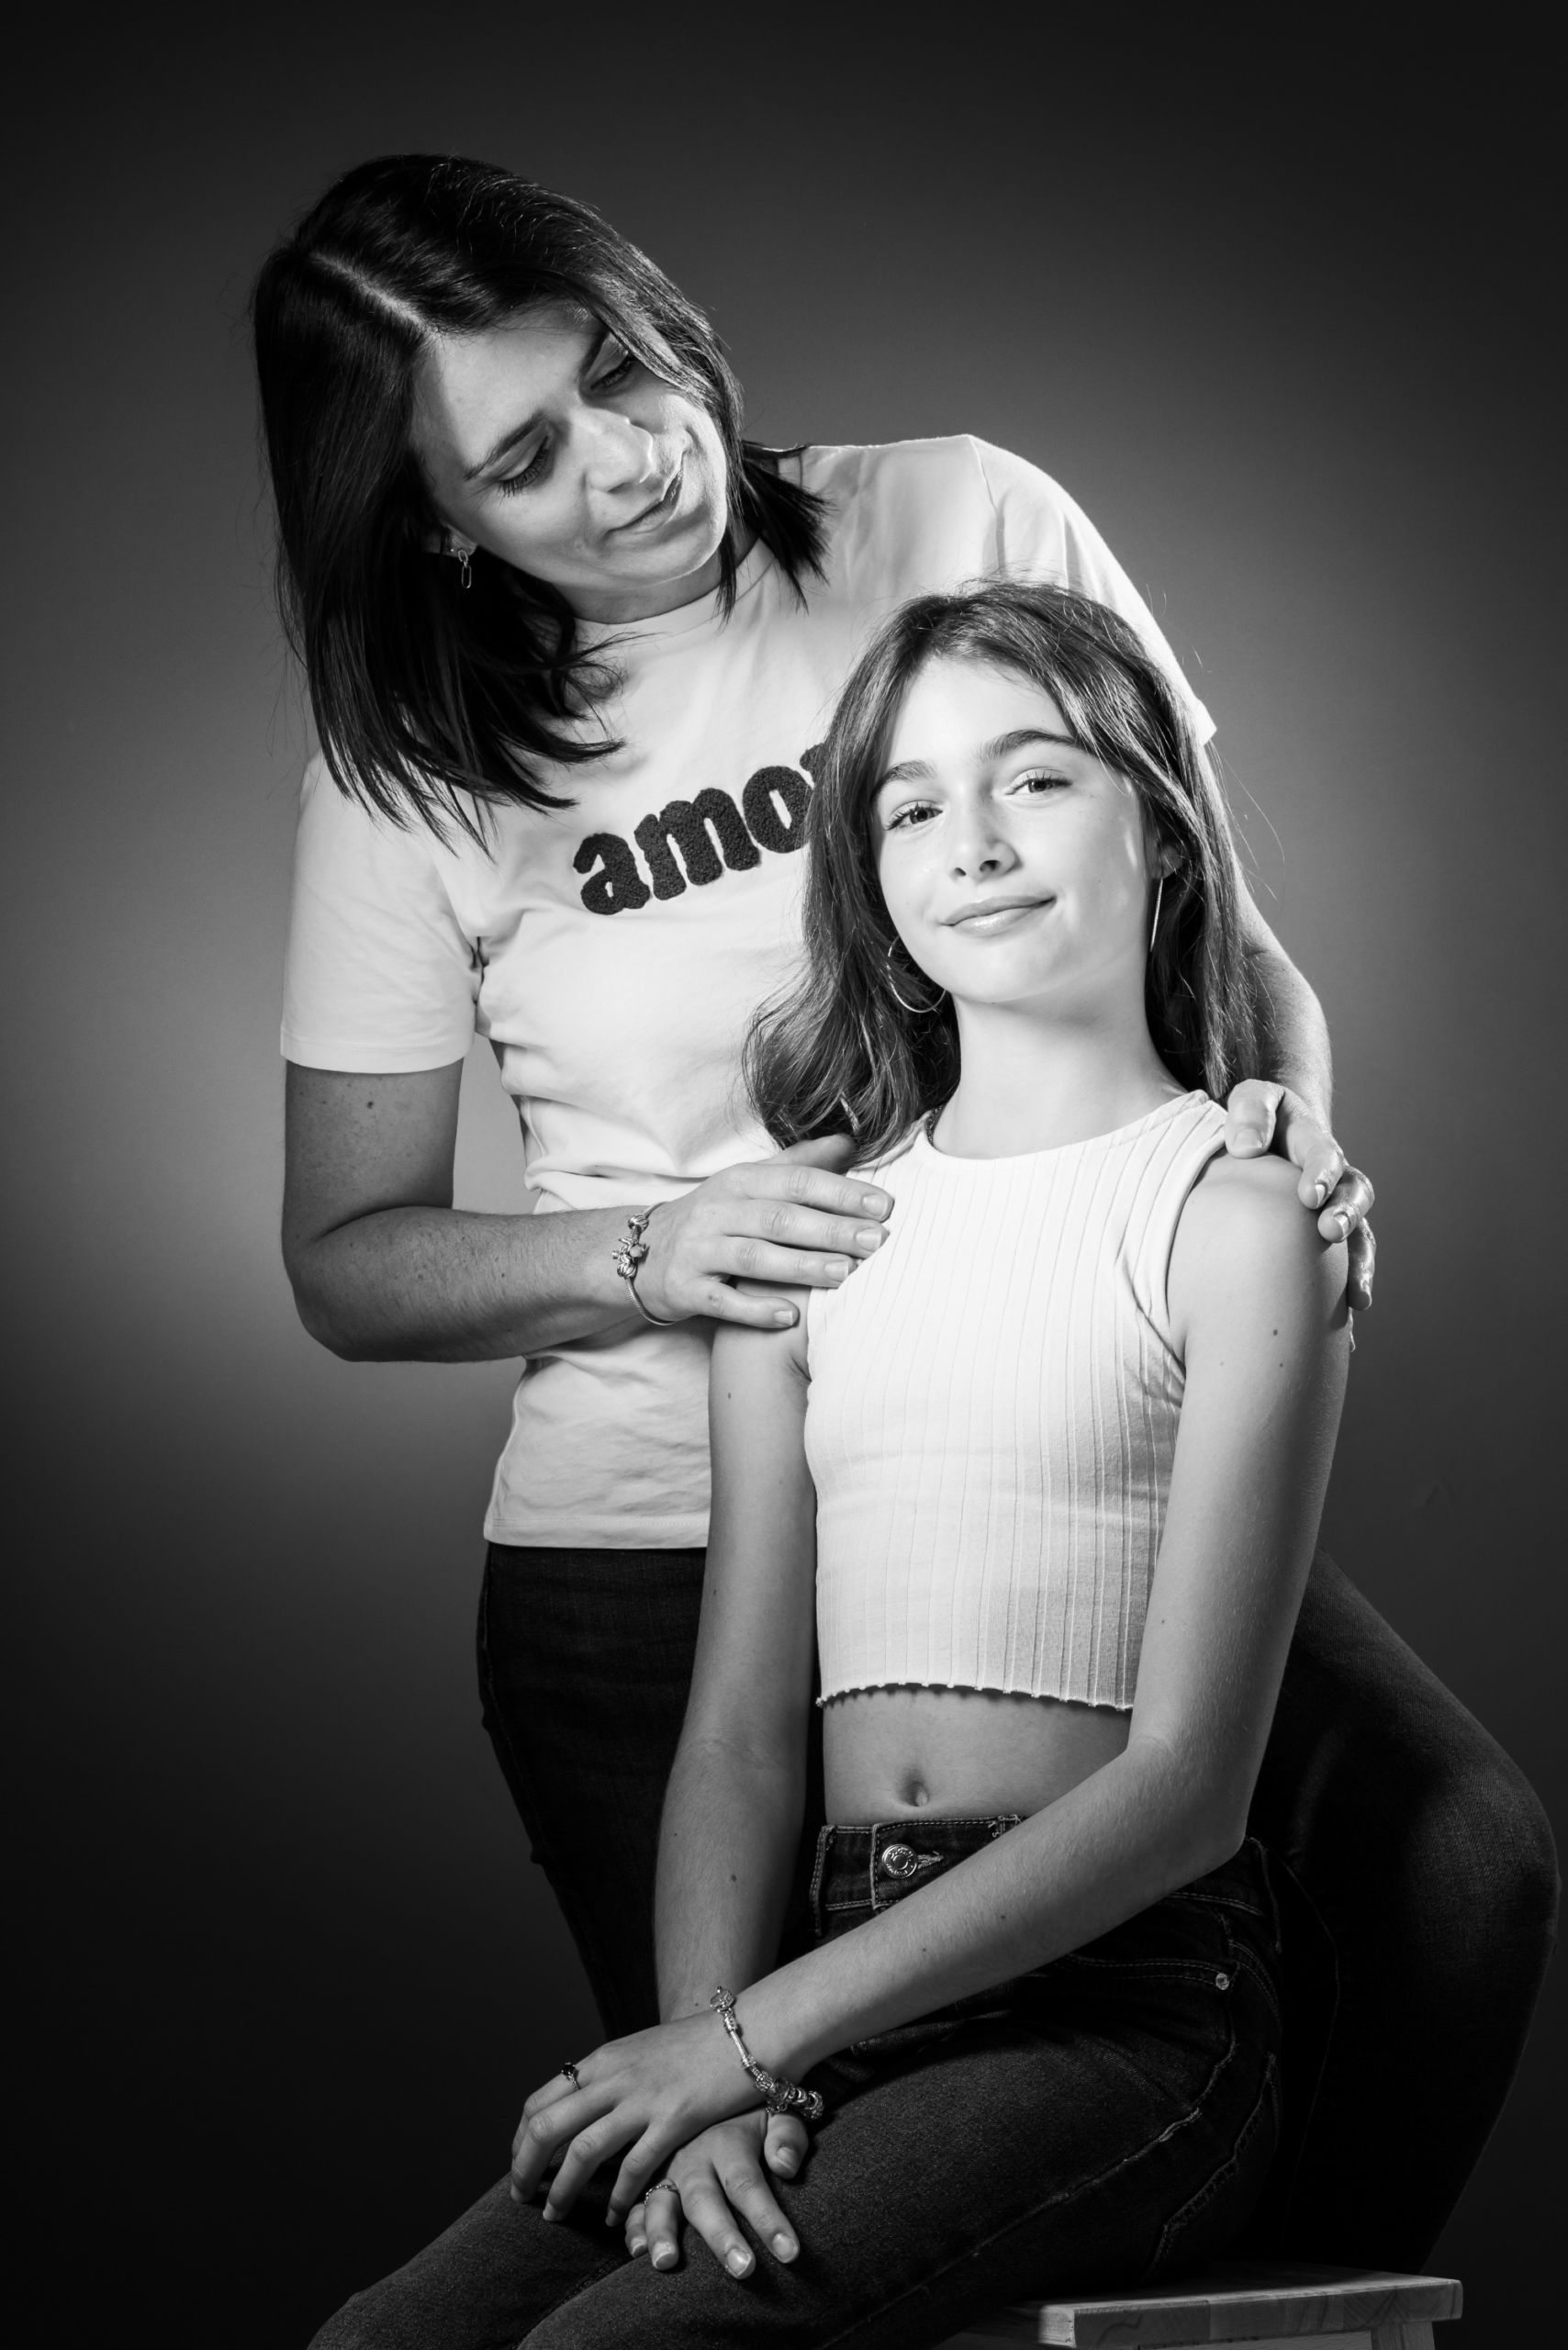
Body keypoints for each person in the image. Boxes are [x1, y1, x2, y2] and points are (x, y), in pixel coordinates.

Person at [253, 151, 1553, 2310]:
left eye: (625, 363)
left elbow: (1219, 926)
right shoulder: (407, 777)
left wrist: (1272, 1170)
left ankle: (1263, 2314)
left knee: (1450, 1864)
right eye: (527, 454)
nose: (637, 453)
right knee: (748, 2200)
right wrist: (659, 1251)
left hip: (1047, 1431)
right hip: (653, 1556)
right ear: (425, 515)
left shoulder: (951, 516)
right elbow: (346, 1253)